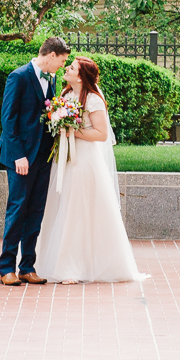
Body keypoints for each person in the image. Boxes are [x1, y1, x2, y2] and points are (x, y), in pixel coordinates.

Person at [35, 56, 148, 284]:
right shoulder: (65, 96)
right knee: (61, 207)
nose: (67, 68)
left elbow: (101, 135)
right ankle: (53, 261)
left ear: (81, 75)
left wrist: (72, 130)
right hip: (64, 159)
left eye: (72, 67)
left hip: (85, 160)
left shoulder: (93, 100)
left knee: (78, 210)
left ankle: (73, 268)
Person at [0, 37, 71, 286]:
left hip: (43, 156)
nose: (62, 66)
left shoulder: (52, 78)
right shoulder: (18, 77)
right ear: (51, 55)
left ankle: (27, 266)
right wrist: (19, 156)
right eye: (61, 60)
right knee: (17, 210)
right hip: (20, 157)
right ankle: (7, 268)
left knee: (36, 211)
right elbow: (8, 120)